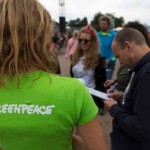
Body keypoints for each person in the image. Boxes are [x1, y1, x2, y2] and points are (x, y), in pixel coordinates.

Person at [0, 0, 108, 150]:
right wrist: (63, 135)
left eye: (86, 41)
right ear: (42, 36)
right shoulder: (73, 92)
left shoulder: (76, 88)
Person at [104, 28, 150, 150]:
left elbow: (141, 129)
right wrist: (122, 96)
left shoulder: (147, 72)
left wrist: (114, 109)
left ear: (127, 46)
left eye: (118, 57)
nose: (120, 63)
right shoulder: (141, 67)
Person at [71, 25, 106, 115]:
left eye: (86, 41)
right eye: (80, 40)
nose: (82, 43)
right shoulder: (75, 56)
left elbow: (101, 82)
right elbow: (72, 75)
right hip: (76, 96)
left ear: (92, 42)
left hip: (90, 99)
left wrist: (100, 103)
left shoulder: (98, 59)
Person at [97, 15, 116, 80]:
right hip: (98, 62)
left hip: (109, 63)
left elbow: (117, 50)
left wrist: (110, 59)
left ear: (108, 24)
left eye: (104, 24)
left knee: (106, 82)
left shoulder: (113, 35)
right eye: (101, 24)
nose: (102, 25)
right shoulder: (97, 35)